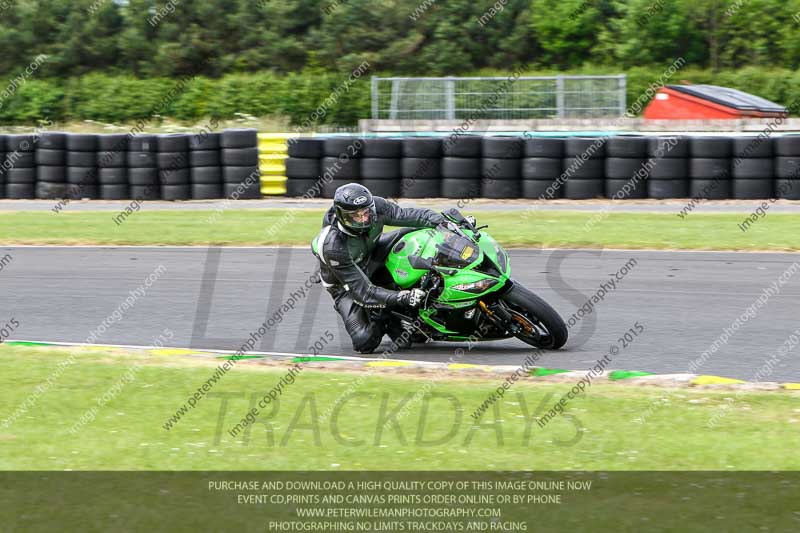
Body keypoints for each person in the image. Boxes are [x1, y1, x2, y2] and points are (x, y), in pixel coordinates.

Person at [311, 182, 445, 353]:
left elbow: (410, 215)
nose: (363, 219)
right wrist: (402, 298)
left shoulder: (376, 206)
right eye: (355, 216)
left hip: (372, 253)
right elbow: (364, 292)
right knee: (365, 341)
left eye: (366, 213)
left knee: (413, 232)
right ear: (341, 215)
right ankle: (385, 315)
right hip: (346, 285)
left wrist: (444, 221)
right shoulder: (333, 245)